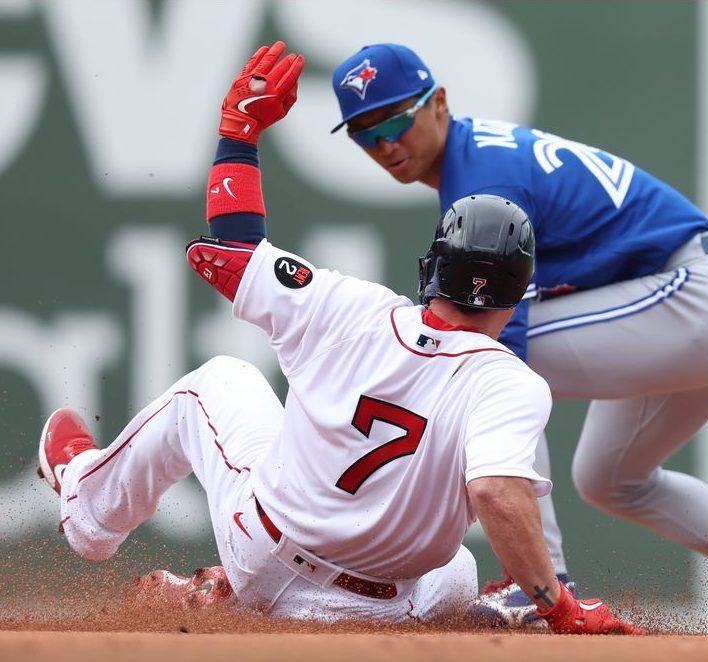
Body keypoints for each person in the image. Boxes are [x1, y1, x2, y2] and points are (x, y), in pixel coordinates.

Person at [35, 41, 641, 634]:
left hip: (264, 556)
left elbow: (233, 250)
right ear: (519, 293)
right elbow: (496, 492)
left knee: (220, 382)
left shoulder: (352, 310)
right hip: (379, 610)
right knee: (456, 567)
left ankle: (91, 513)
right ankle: (487, 609)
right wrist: (560, 607)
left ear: (431, 268)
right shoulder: (511, 383)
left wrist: (239, 133)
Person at [330, 43, 708, 633]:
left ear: (439, 104)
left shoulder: (483, 178)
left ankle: (539, 583)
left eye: (395, 119)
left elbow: (496, 347)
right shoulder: (477, 160)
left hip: (699, 296)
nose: (384, 143)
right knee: (612, 480)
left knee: (483, 364)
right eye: (363, 133)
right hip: (687, 306)